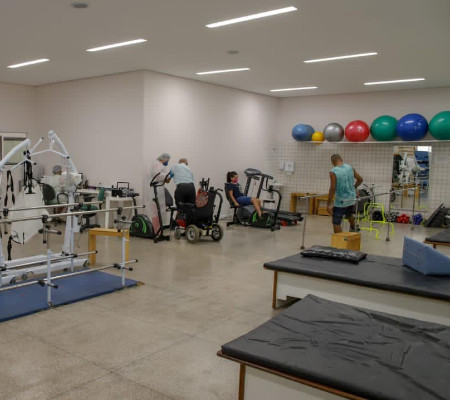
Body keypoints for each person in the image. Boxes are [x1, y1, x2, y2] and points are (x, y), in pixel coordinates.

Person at [327, 154, 363, 233]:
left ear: (332, 162)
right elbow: (360, 179)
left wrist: (329, 203)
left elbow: (332, 189)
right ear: (341, 159)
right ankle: (354, 227)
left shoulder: (333, 172)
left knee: (336, 221)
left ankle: (340, 239)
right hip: (351, 199)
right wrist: (354, 187)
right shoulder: (350, 168)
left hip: (341, 201)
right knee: (348, 214)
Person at [150, 153, 171, 226]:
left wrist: (168, 176)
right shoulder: (157, 164)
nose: (167, 162)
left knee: (160, 209)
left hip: (160, 188)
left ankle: (160, 227)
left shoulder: (161, 165)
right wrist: (167, 175)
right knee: (156, 210)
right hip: (156, 188)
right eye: (167, 160)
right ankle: (157, 228)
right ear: (163, 159)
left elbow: (165, 179)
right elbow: (157, 175)